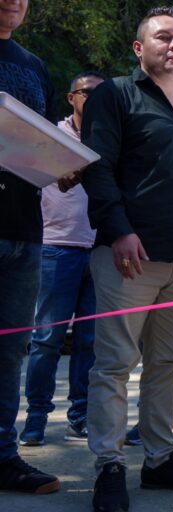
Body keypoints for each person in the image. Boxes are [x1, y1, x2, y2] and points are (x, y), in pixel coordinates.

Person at [81, 7, 173, 511]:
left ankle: (160, 459)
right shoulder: (115, 96)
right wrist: (118, 229)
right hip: (128, 258)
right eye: (163, 37)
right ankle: (109, 465)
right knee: (115, 365)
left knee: (166, 363)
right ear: (140, 49)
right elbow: (96, 167)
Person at [20, 71, 104, 447]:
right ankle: (36, 418)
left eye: (103, 94)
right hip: (56, 248)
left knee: (89, 341)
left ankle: (80, 416)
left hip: (100, 250)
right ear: (71, 97)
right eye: (88, 93)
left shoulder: (110, 139)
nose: (95, 100)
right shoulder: (50, 136)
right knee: (47, 339)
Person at [0, 0, 61, 495]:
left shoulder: (34, 65)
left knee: (11, 350)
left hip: (26, 228)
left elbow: (41, 143)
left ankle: (3, 456)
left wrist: (61, 167)